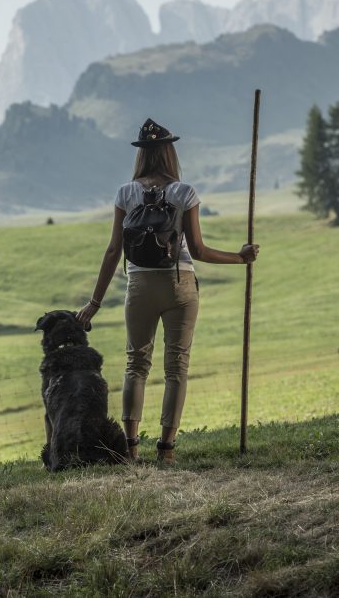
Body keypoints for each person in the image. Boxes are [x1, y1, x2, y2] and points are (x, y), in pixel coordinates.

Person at [76, 118, 259, 464]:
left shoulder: (125, 193)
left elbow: (114, 251)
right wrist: (240, 257)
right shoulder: (184, 192)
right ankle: (166, 449)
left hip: (139, 285)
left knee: (136, 364)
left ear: (141, 155)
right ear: (169, 153)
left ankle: (130, 448)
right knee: (176, 367)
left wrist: (94, 302)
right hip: (180, 284)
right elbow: (199, 251)